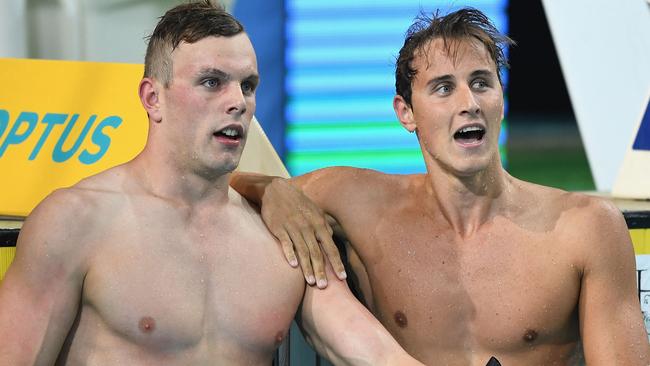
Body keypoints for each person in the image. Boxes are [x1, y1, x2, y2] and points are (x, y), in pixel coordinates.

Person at [0, 2, 423, 365]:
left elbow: (375, 354)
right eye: (211, 82)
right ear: (153, 98)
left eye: (248, 85)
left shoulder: (281, 235)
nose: (238, 101)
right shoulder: (76, 222)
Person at [230, 7, 650, 365]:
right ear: (406, 113)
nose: (469, 102)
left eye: (482, 82)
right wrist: (271, 190)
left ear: (501, 97)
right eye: (444, 88)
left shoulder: (585, 229)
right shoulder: (356, 200)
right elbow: (207, 186)